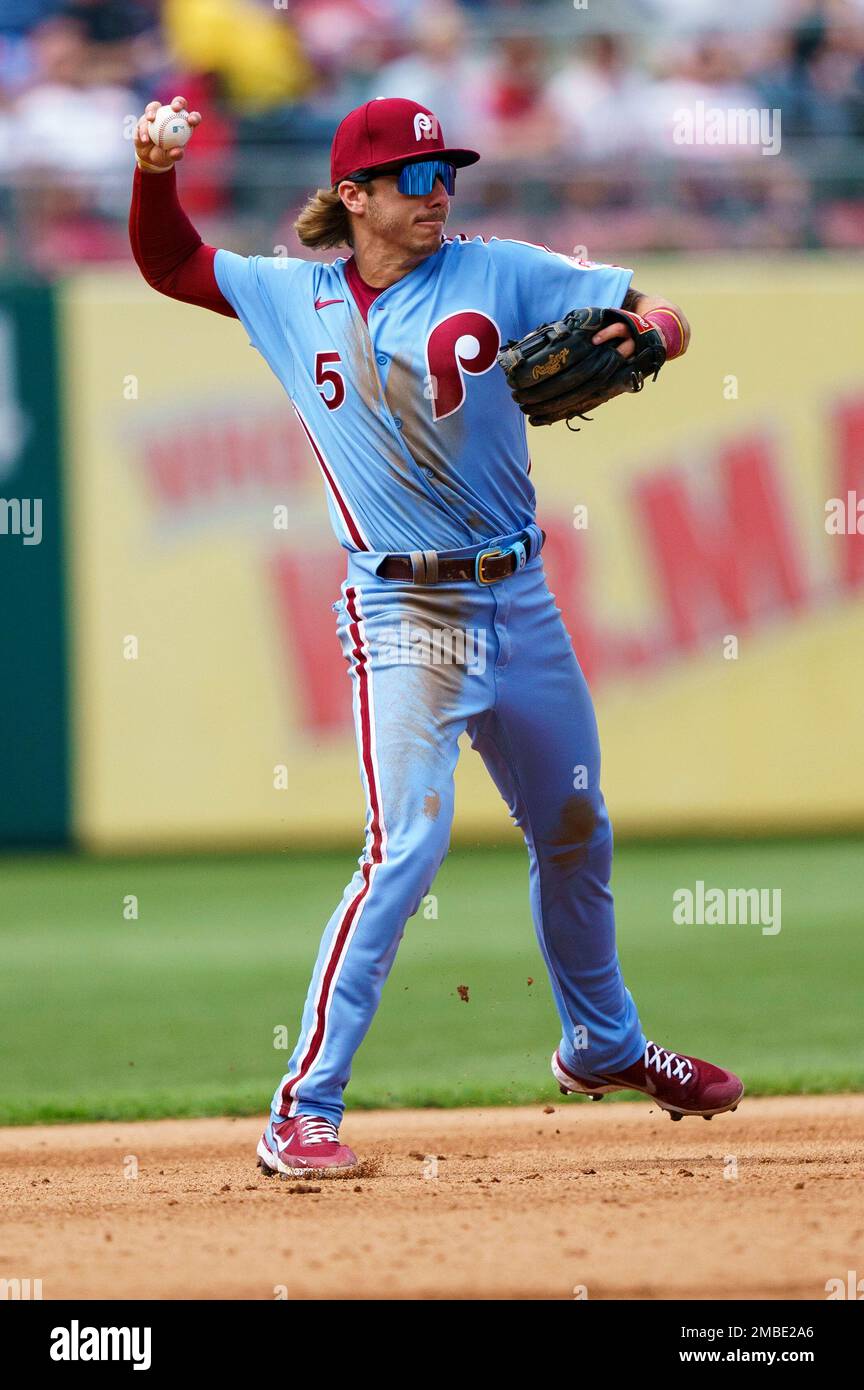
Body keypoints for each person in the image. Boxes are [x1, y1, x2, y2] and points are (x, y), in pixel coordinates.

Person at [130, 94, 744, 1178]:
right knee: (405, 849)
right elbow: (171, 262)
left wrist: (652, 332)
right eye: (413, 179)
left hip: (524, 596)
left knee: (574, 825)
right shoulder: (291, 295)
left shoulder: (497, 269)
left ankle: (601, 1045)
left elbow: (665, 313)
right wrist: (154, 171)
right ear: (354, 196)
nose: (437, 193)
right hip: (403, 611)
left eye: (444, 173)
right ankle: (302, 1108)